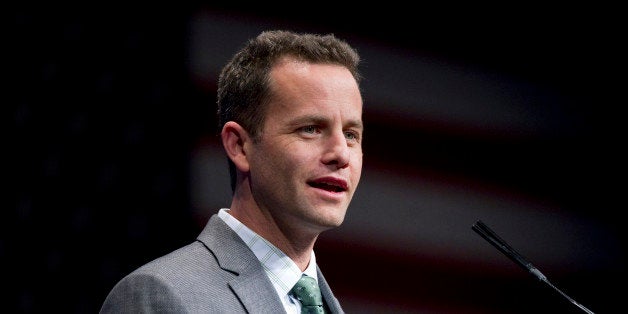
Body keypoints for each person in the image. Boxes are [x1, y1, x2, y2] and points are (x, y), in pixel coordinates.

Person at [100, 29, 364, 313]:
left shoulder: (326, 304)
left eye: (351, 134)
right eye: (310, 129)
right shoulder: (159, 296)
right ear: (239, 146)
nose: (341, 153)